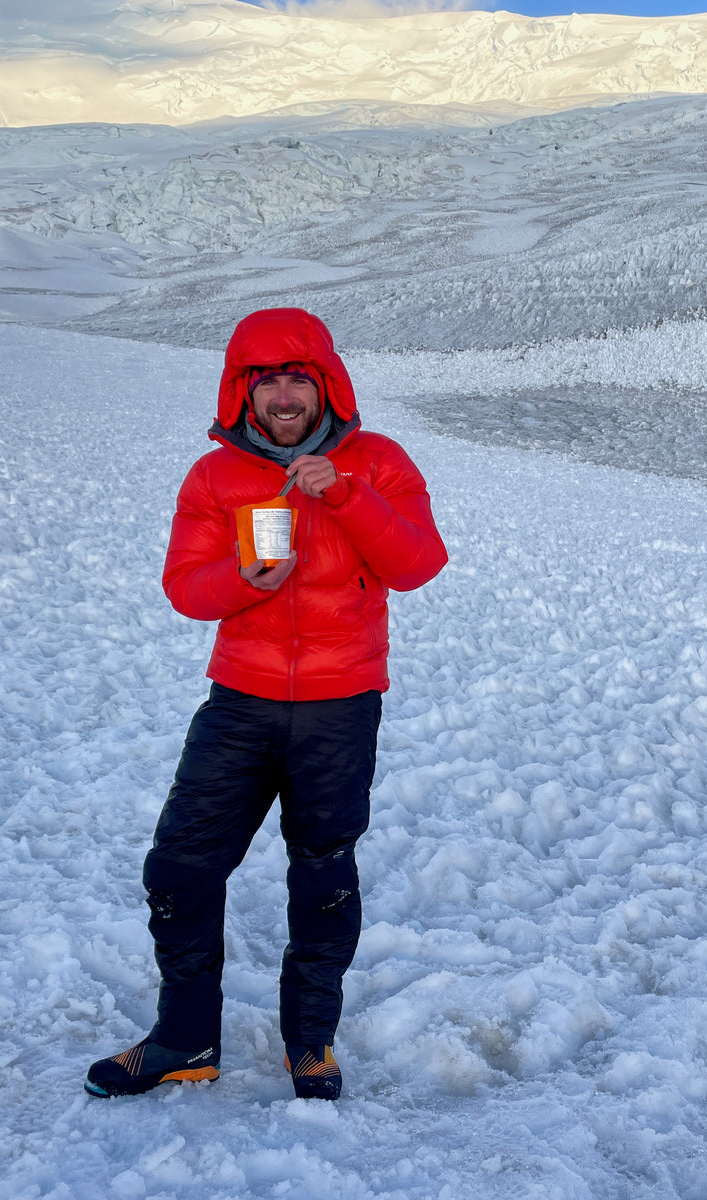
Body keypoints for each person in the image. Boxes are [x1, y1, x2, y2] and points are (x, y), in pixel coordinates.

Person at [85, 307, 448, 1101]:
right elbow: (185, 587)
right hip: (240, 702)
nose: (284, 396)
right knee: (179, 867)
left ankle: (310, 1042)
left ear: (325, 385)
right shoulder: (214, 478)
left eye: (298, 378)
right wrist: (240, 583)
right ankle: (183, 1039)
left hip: (340, 704)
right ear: (242, 391)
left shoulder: (377, 462)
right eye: (267, 380)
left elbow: (419, 561)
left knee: (323, 873)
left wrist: (346, 495)